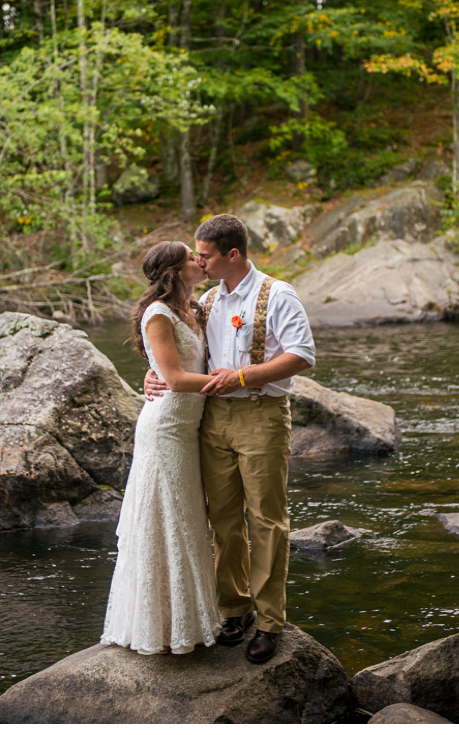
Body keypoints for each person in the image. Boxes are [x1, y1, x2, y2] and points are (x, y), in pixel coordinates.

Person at [144, 214, 315, 664]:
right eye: (196, 257)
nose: (198, 263)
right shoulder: (206, 302)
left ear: (232, 254)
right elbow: (179, 351)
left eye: (204, 255)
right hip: (212, 418)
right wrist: (154, 374)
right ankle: (233, 610)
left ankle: (270, 621)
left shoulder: (278, 294)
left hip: (262, 415)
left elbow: (302, 355)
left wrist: (241, 376)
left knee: (266, 520)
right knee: (221, 518)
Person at [100, 241, 221, 655]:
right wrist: (239, 379)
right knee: (166, 520)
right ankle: (158, 628)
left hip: (191, 427)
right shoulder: (158, 314)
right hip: (166, 427)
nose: (199, 261)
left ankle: (189, 619)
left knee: (188, 521)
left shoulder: (199, 309)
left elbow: (175, 368)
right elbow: (172, 377)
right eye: (191, 257)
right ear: (173, 270)